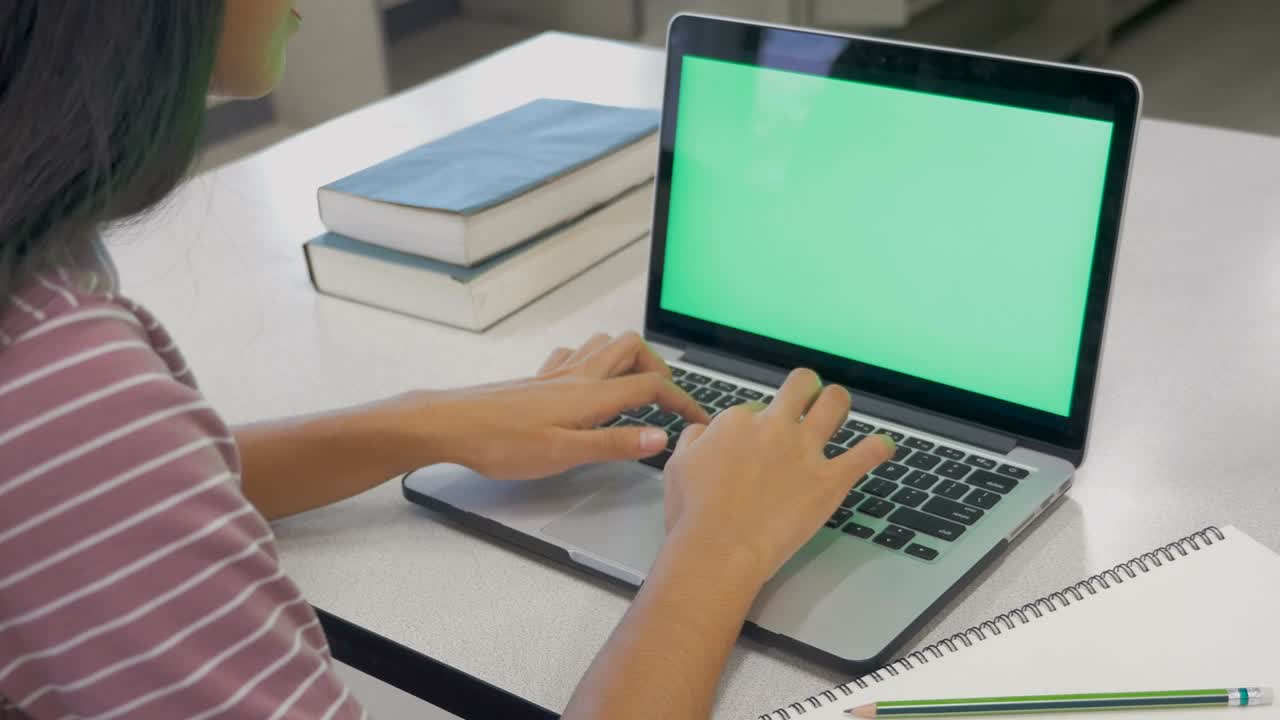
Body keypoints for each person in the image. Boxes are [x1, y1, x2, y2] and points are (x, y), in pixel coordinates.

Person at [0, 2, 893, 719]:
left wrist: (429, 420)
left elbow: (94, 490)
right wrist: (720, 550)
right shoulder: (64, 381)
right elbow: (88, 457)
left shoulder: (43, 287)